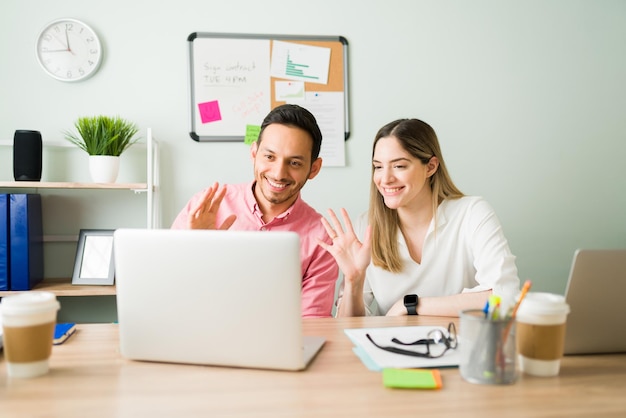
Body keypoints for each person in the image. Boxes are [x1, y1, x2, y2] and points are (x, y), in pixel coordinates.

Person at [319, 118, 520, 317]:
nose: (385, 179)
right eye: (378, 166)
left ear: (430, 167)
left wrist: (410, 306)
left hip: (459, 343)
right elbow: (347, 327)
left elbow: (505, 298)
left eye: (399, 166)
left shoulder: (472, 213)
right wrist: (354, 279)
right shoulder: (366, 226)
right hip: (391, 346)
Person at [171, 104, 339, 318]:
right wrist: (193, 247)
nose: (279, 173)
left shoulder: (321, 236)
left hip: (277, 345)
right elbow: (171, 289)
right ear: (254, 153)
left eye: (294, 163)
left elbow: (312, 321)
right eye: (270, 157)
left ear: (313, 169)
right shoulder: (207, 206)